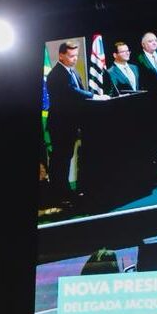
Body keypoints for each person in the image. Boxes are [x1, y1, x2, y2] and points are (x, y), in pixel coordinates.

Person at [45, 41, 102, 205]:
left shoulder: (73, 72)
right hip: (60, 125)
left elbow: (80, 92)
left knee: (66, 158)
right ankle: (58, 195)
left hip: (71, 124)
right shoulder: (57, 74)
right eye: (71, 56)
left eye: (76, 55)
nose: (75, 59)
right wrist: (94, 96)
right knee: (60, 160)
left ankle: (64, 192)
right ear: (61, 55)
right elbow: (72, 92)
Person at [137, 31, 157, 95]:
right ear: (143, 44)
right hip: (149, 95)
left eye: (155, 40)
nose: (154, 43)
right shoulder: (138, 59)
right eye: (150, 41)